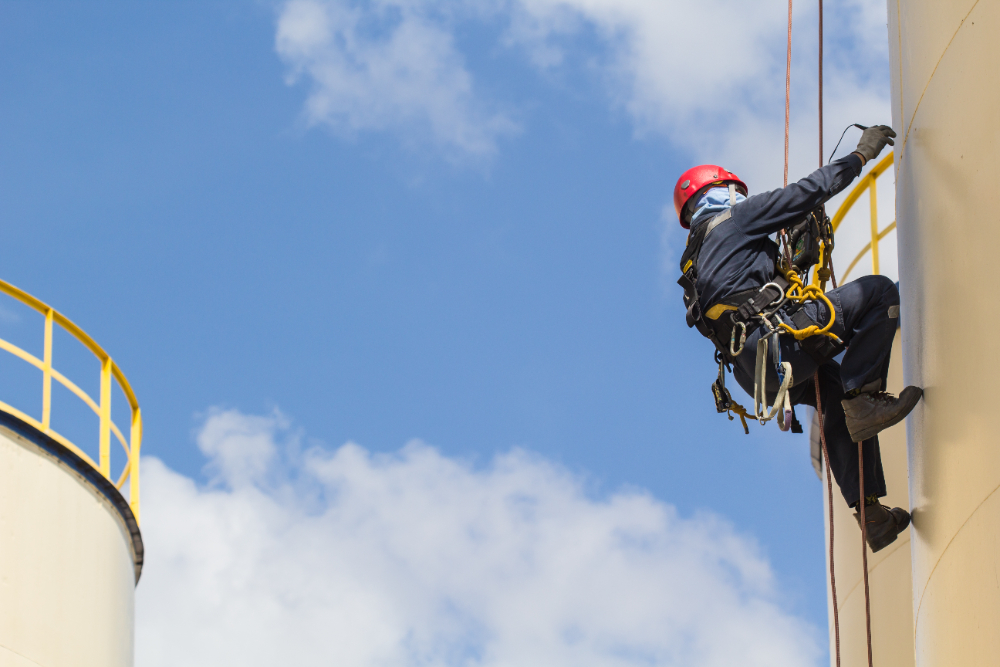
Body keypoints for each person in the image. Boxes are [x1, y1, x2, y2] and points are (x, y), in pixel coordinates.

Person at [674, 125, 921, 552]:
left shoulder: (695, 265)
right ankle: (865, 399)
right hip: (778, 344)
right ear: (722, 191)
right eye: (734, 191)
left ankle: (872, 516)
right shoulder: (735, 220)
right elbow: (808, 192)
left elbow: (742, 294)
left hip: (754, 373)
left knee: (831, 390)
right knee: (878, 292)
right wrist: (861, 156)